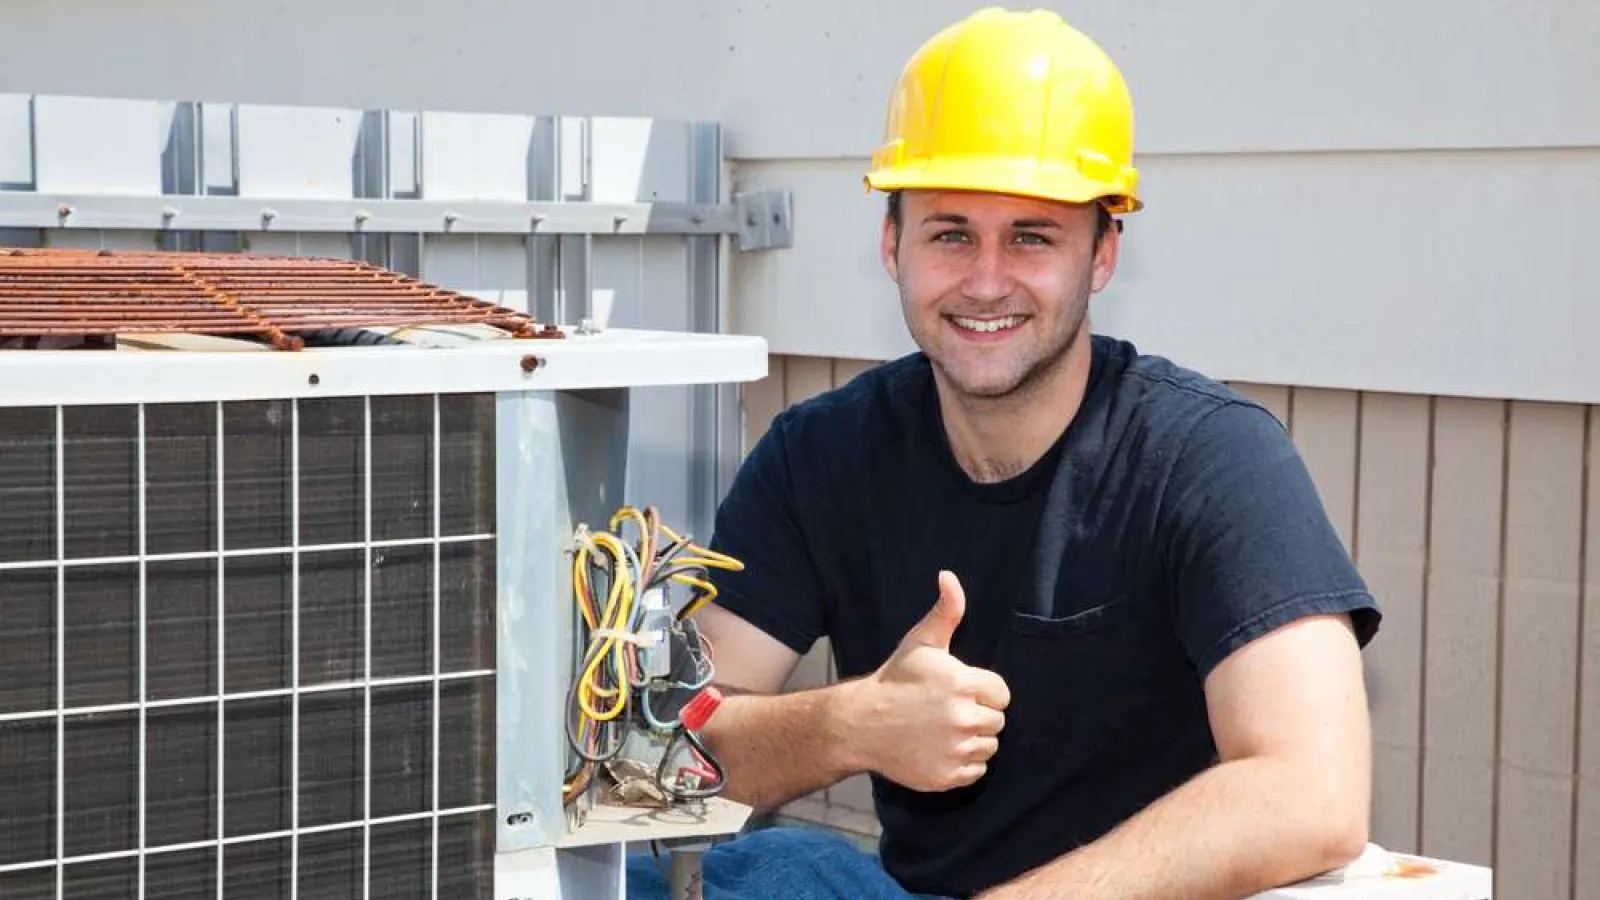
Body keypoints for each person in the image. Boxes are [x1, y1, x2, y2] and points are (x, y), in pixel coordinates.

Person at [630, 7, 1382, 899]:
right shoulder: (821, 454)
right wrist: (851, 723)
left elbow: (1314, 791)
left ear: (1103, 252)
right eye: (950, 232)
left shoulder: (1211, 459)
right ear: (891, 245)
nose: (986, 281)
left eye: (1032, 236)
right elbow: (673, 750)